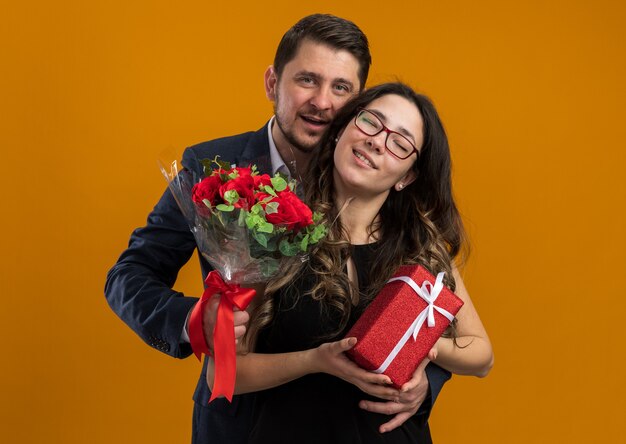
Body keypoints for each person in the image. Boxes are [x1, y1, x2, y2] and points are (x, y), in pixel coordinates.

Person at [105, 15, 450, 443]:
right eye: (307, 80)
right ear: (272, 83)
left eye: (341, 88)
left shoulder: (381, 180)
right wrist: (196, 318)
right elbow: (128, 276)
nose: (322, 102)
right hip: (245, 421)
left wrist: (425, 379)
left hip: (353, 423)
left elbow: (432, 299)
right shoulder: (210, 166)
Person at [210, 83, 494, 443]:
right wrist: (315, 360)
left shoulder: (420, 247)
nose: (378, 141)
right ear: (341, 130)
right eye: (372, 122)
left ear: (407, 177)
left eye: (400, 143)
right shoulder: (275, 228)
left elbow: (482, 356)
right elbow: (222, 372)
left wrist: (417, 348)